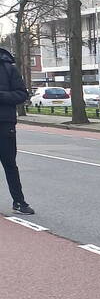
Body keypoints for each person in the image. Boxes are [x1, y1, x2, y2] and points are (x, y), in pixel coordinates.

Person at [0, 47, 33, 215]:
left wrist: (2, 96)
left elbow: (22, 94)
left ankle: (19, 202)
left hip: (4, 124)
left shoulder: (8, 68)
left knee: (10, 164)